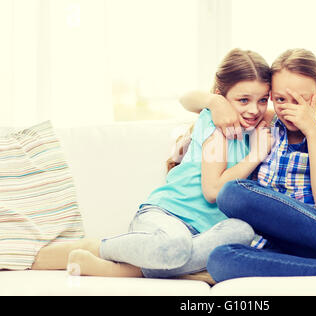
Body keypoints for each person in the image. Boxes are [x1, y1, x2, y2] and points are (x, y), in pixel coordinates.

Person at [31, 48, 275, 279]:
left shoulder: (255, 124)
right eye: (243, 100)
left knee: (243, 231)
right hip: (166, 218)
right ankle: (101, 250)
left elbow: (301, 110)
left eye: (263, 100)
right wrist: (253, 152)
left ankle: (160, 265)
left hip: (205, 235)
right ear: (222, 98)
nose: (254, 109)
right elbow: (212, 191)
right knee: (175, 246)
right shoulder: (217, 124)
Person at [181, 48, 316, 282]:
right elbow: (187, 99)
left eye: (301, 100)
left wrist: (312, 130)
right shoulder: (267, 119)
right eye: (279, 99)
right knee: (221, 255)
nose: (290, 108)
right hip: (277, 237)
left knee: (232, 192)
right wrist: (215, 102)